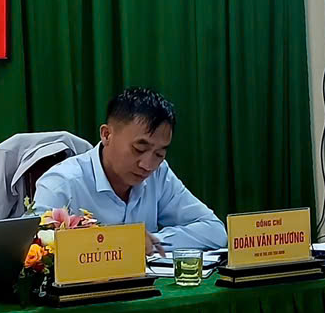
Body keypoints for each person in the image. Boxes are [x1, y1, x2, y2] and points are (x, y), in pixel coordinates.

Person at [33, 88, 227, 256]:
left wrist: (153, 242)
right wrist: (121, 244)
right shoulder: (61, 183)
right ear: (106, 135)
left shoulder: (159, 174)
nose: (148, 165)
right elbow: (34, 251)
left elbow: (215, 231)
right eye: (139, 149)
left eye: (159, 154)